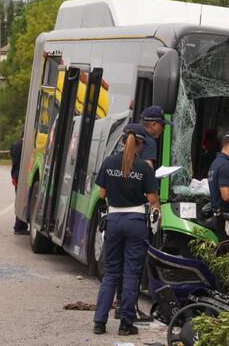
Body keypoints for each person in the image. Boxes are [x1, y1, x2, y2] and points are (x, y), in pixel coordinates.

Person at [92, 123, 159, 336]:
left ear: (122, 140)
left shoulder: (109, 162)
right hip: (136, 221)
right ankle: (125, 324)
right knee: (131, 273)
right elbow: (152, 199)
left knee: (111, 272)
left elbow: (101, 194)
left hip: (114, 220)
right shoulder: (143, 168)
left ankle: (99, 322)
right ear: (140, 144)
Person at [10, 131, 28, 235]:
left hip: (15, 175)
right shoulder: (26, 146)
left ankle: (20, 225)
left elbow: (12, 159)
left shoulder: (14, 144)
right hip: (22, 175)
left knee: (19, 199)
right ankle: (19, 226)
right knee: (23, 200)